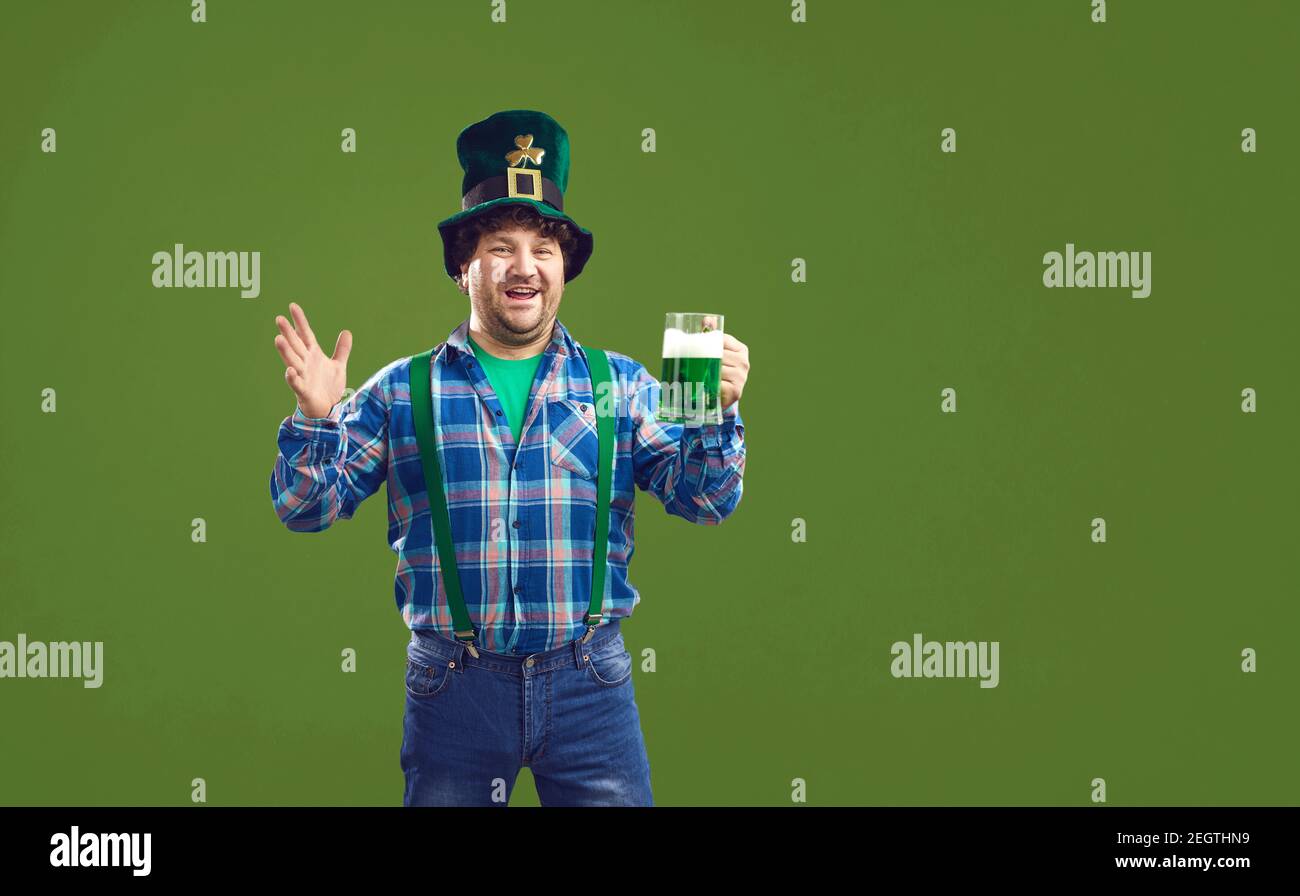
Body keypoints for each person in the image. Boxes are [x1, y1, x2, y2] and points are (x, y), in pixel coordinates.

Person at [269, 110, 750, 806]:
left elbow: (706, 501)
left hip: (591, 685)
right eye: (500, 246)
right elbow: (303, 510)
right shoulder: (405, 390)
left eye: (543, 248)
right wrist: (316, 419)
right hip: (453, 689)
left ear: (564, 268)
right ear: (464, 264)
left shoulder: (619, 384)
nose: (524, 267)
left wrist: (717, 411)